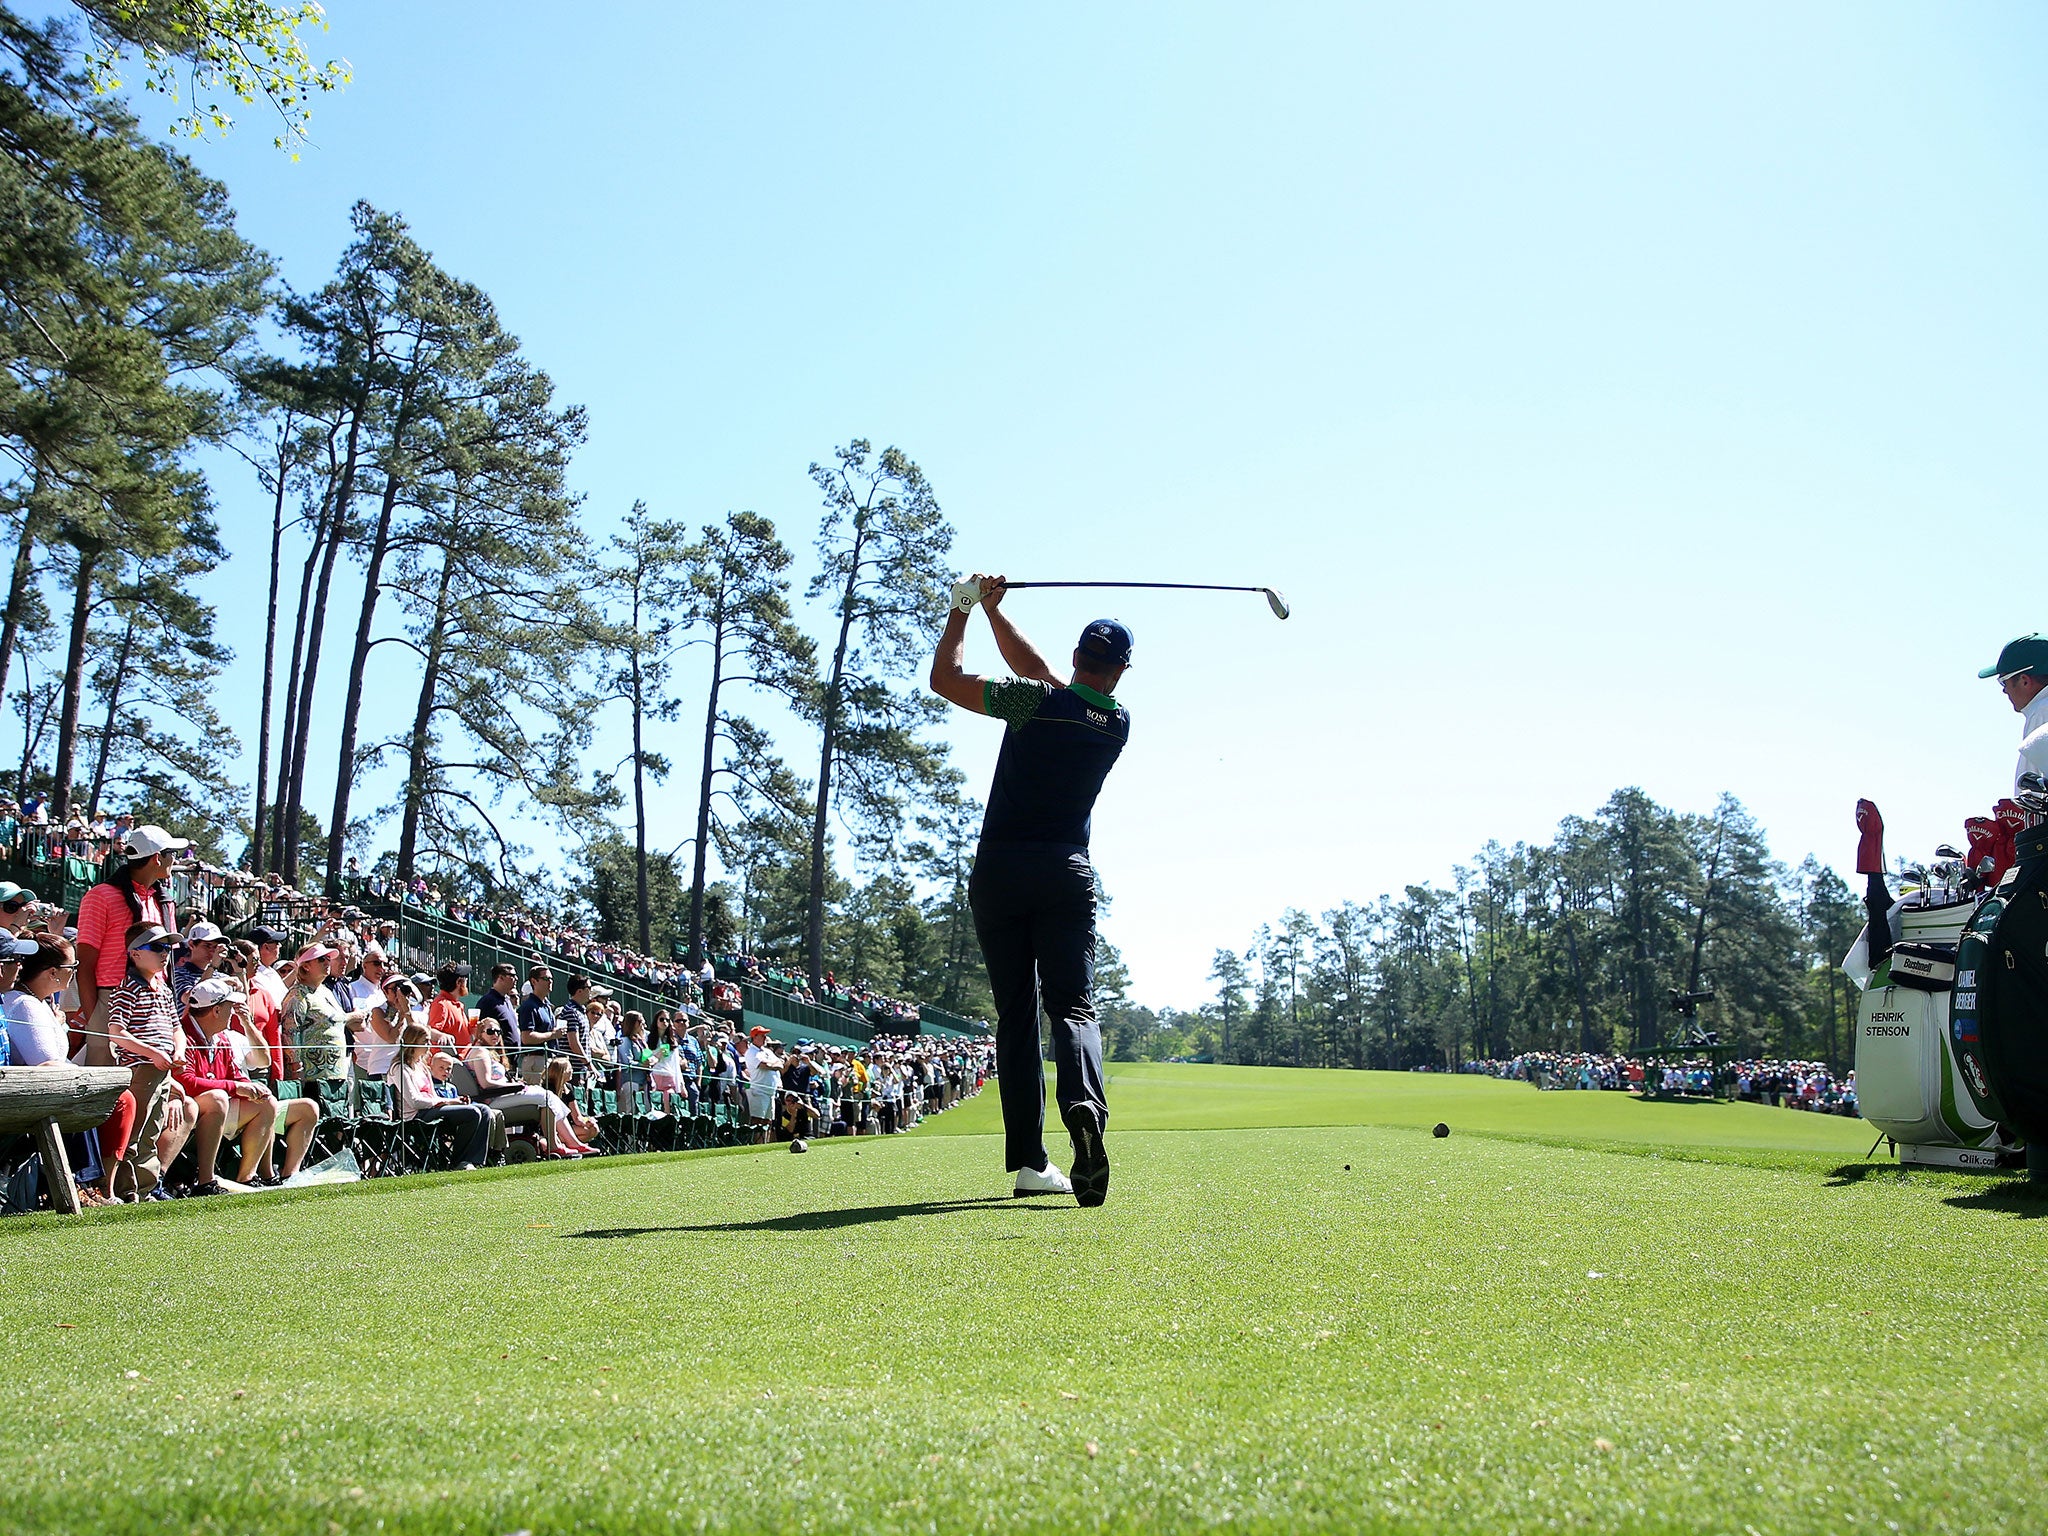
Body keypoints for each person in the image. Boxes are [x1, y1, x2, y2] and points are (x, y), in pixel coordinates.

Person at [929, 574, 1129, 1205]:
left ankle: (1030, 1163)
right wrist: (994, 611)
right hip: (1065, 872)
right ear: (1120, 672)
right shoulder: (1115, 723)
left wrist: (965, 610)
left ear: (1077, 658)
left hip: (999, 874)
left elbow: (945, 679)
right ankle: (1084, 1108)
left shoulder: (1032, 702)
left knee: (1017, 1016)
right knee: (1072, 1008)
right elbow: (1040, 674)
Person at [4, 935, 137, 1203]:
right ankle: (86, 1185)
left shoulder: (39, 1002)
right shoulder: (24, 1005)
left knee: (118, 1097)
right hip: (33, 1094)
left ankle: (100, 1186)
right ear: (52, 972)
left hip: (44, 1089)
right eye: (72, 967)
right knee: (105, 1097)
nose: (75, 972)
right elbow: (46, 1062)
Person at [71, 824, 184, 1069]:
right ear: (157, 858)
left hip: (157, 1001)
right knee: (105, 1087)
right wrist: (95, 1020)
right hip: (111, 1001)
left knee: (153, 1081)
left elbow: (167, 965)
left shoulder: (165, 901)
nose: (175, 859)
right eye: (172, 853)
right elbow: (85, 964)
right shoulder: (100, 896)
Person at [106, 922, 192, 1200]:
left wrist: (179, 1050)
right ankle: (127, 1190)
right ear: (135, 953)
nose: (165, 953)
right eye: (156, 947)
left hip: (162, 1071)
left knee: (152, 1132)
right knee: (134, 1132)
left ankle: (145, 1189)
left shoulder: (164, 988)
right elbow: (116, 1032)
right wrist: (152, 1053)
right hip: (140, 1070)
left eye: (167, 947)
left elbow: (176, 1027)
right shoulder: (127, 987)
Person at [387, 1024, 491, 1170]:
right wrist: (447, 1102)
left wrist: (454, 1101)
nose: (429, 1045)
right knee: (472, 1113)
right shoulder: (400, 1068)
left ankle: (474, 1159)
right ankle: (460, 1161)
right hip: (416, 1116)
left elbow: (432, 1095)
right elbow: (415, 1101)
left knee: (484, 1110)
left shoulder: (422, 1066)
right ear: (413, 1042)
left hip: (431, 1109)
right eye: (425, 1041)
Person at [1981, 633, 2048, 792]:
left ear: (2024, 680)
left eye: (2003, 681)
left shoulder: (2040, 711)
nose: (2004, 690)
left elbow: (2027, 796)